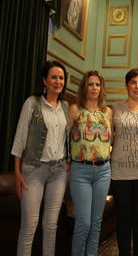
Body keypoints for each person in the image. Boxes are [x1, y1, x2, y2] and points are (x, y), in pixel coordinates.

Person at [11, 61, 69, 256]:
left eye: (61, 78)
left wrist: (67, 161)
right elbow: (20, 138)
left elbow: (68, 138)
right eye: (53, 77)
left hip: (58, 172)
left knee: (51, 225)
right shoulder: (32, 103)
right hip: (33, 170)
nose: (57, 81)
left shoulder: (66, 107)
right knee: (29, 225)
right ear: (44, 80)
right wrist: (17, 172)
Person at [110, 69, 138, 256]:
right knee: (123, 220)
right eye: (134, 82)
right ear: (126, 85)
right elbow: (108, 139)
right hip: (119, 173)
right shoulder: (114, 108)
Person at [69, 70, 113, 256]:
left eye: (97, 84)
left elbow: (111, 141)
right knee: (83, 223)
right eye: (90, 84)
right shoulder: (74, 110)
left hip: (103, 171)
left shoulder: (107, 112)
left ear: (101, 87)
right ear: (84, 87)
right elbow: (65, 139)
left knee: (96, 224)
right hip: (80, 171)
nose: (94, 88)